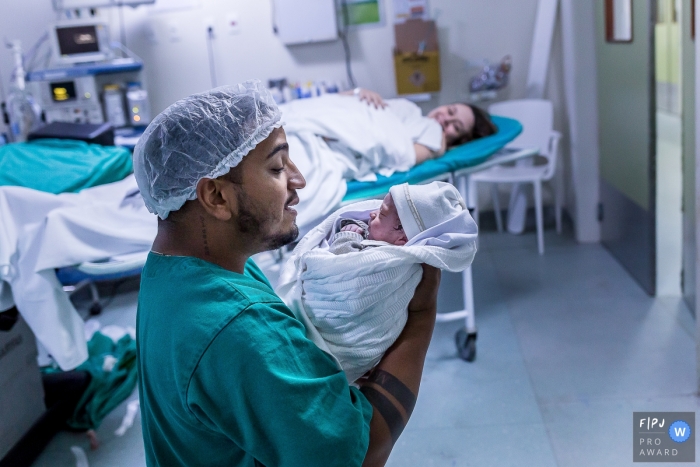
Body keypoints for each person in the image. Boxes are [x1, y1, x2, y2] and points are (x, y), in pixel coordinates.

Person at [133, 80, 442, 467]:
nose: (299, 181)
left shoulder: (172, 271)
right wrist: (421, 314)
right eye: (277, 167)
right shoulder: (238, 326)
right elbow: (360, 454)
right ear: (215, 197)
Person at [282, 182, 476, 382]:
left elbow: (343, 266)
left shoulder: (392, 263)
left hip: (338, 339)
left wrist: (345, 238)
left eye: (382, 215)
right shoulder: (379, 238)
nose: (372, 214)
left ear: (402, 238)